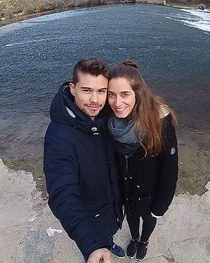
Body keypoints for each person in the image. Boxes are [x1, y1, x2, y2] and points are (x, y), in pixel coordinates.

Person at [43, 58, 125, 263]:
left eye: (101, 91)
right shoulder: (59, 136)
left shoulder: (108, 116)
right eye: (87, 90)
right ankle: (102, 244)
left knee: (109, 234)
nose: (95, 100)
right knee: (100, 242)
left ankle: (109, 241)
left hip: (113, 208)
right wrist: (91, 245)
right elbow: (62, 194)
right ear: (73, 88)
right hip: (90, 218)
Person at [107, 60, 178, 261]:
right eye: (111, 95)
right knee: (131, 218)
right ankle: (135, 238)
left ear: (138, 94)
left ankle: (144, 241)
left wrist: (161, 206)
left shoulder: (160, 122)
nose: (117, 103)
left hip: (150, 192)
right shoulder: (109, 121)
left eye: (125, 94)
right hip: (126, 189)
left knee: (148, 219)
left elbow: (169, 170)